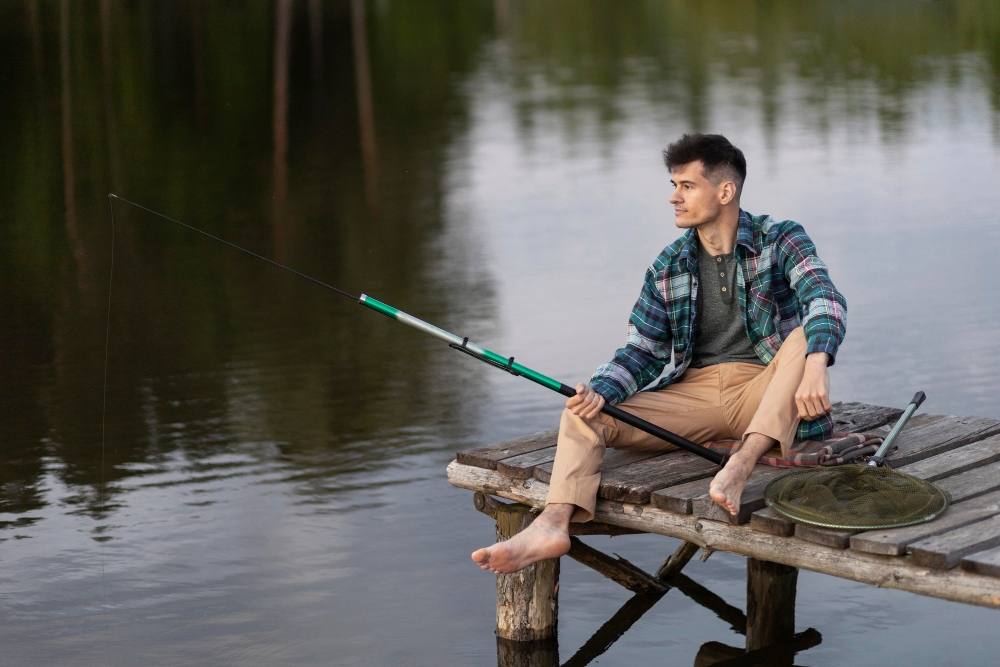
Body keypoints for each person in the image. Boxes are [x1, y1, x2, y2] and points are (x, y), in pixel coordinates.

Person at [472, 133, 846, 574]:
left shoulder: (780, 239)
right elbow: (643, 349)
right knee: (584, 411)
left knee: (802, 339)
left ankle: (741, 464)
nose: (674, 197)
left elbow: (824, 298)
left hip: (765, 388)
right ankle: (553, 523)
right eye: (673, 185)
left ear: (724, 191)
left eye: (687, 185)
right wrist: (600, 390)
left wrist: (817, 362)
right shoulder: (668, 266)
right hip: (696, 395)